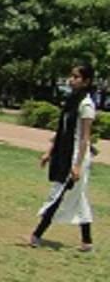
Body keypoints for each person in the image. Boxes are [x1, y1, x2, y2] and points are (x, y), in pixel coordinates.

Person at [30, 62, 96, 252]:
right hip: (65, 153)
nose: (72, 80)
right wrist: (49, 152)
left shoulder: (86, 105)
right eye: (72, 76)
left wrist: (77, 165)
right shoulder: (71, 101)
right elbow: (62, 131)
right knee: (79, 198)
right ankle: (87, 241)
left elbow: (84, 138)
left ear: (86, 81)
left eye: (77, 77)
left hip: (76, 157)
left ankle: (36, 234)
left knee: (57, 194)